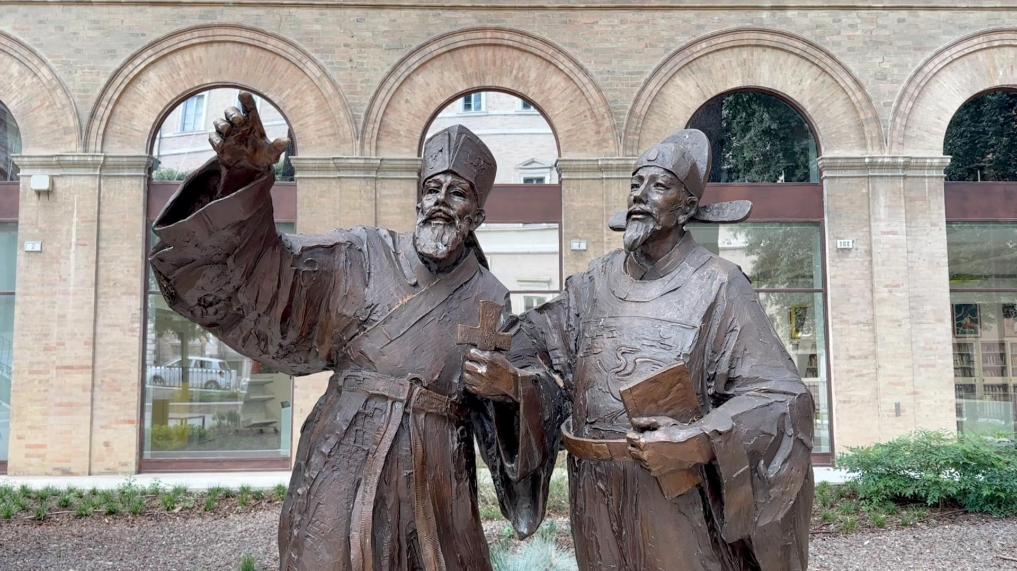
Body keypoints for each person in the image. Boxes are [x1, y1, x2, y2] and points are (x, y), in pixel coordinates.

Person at [150, 92, 514, 571]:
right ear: (418, 199)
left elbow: (508, 412)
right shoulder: (362, 253)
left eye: (458, 193)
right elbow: (272, 273)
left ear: (477, 217)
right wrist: (245, 176)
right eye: (432, 189)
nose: (441, 203)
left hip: (438, 475)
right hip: (347, 452)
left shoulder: (491, 296)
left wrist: (509, 388)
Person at [464, 129, 815, 571]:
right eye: (636, 183)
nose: (640, 195)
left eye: (659, 185)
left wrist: (700, 440)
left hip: (674, 497)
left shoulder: (719, 285)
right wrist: (512, 383)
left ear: (686, 207)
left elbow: (782, 397)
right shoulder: (594, 284)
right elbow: (523, 343)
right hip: (595, 491)